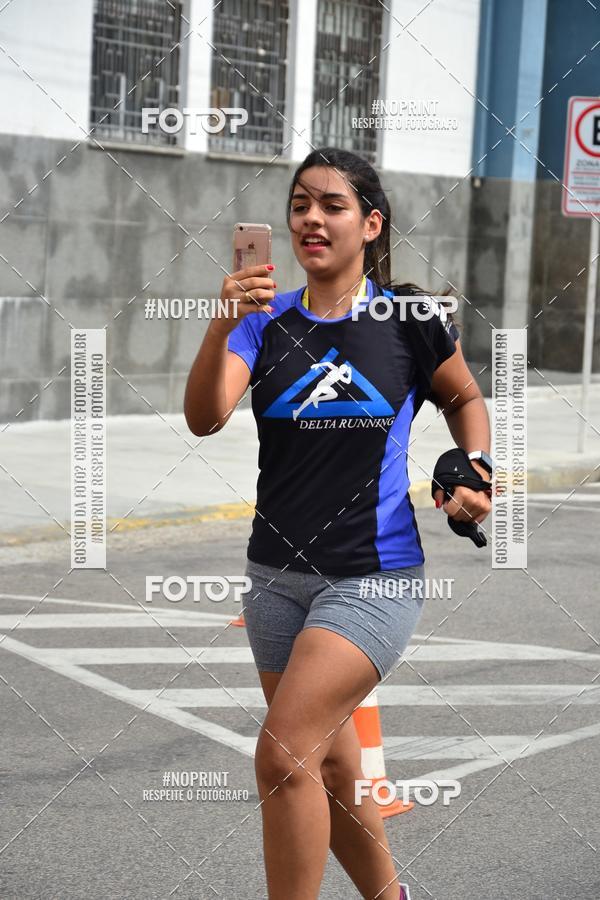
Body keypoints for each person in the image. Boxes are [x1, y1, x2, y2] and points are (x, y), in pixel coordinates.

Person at [184, 147, 492, 900]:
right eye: (299, 206)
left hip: (373, 579)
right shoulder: (263, 324)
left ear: (371, 223)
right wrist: (221, 325)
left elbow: (464, 399)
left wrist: (473, 466)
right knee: (328, 764)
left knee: (283, 756)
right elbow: (203, 417)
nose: (312, 219)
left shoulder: (410, 321)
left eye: (332, 205)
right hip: (275, 580)